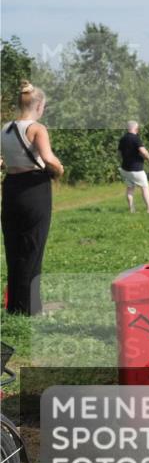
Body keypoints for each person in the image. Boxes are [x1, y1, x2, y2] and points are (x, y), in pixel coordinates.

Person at [1, 80, 64, 315]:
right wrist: (59, 168)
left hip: (11, 188)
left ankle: (15, 306)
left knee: (14, 247)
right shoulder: (37, 129)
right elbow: (48, 159)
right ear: (38, 106)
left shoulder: (5, 128)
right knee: (33, 247)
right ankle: (31, 308)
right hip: (34, 189)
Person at [118, 120, 149, 213]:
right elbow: (143, 151)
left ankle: (132, 209)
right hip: (136, 169)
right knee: (145, 187)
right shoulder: (135, 138)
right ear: (136, 128)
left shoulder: (123, 139)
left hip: (125, 168)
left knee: (130, 188)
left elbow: (119, 153)